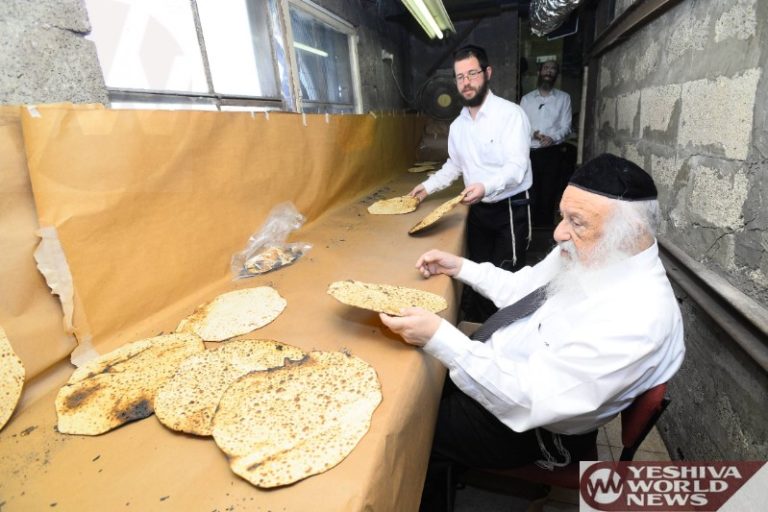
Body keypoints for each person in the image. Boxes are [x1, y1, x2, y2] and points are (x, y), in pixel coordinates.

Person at [384, 154, 685, 511]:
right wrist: (461, 267)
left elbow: (530, 400)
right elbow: (522, 289)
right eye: (563, 216)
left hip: (529, 425)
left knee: (408, 432)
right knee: (411, 386)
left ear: (631, 231)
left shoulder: (639, 318)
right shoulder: (596, 250)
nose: (559, 234)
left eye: (577, 222)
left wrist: (440, 338)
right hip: (502, 375)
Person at [409, 44, 533, 323]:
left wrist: (485, 187)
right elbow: (455, 165)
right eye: (460, 77)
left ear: (487, 73)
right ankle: (480, 326)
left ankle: (508, 329)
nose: (466, 82)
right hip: (478, 210)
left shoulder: (510, 115)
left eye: (472, 74)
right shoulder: (458, 126)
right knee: (478, 270)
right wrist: (428, 187)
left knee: (507, 274)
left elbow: (517, 168)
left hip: (509, 209)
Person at [520, 60, 573, 227]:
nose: (549, 72)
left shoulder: (564, 98)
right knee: (530, 190)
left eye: (553, 69)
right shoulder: (527, 99)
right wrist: (533, 133)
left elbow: (566, 126)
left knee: (549, 191)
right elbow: (521, 124)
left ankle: (545, 229)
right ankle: (530, 227)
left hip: (553, 152)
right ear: (539, 72)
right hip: (531, 153)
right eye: (546, 68)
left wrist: (553, 138)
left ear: (557, 74)